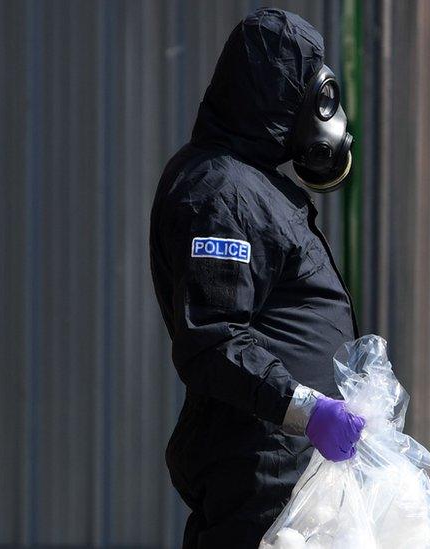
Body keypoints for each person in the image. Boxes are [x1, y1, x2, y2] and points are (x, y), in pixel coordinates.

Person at [149, 8, 364, 548]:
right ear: (280, 93)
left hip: (292, 478)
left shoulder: (249, 184)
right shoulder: (222, 194)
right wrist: (308, 410)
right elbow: (213, 339)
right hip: (262, 481)